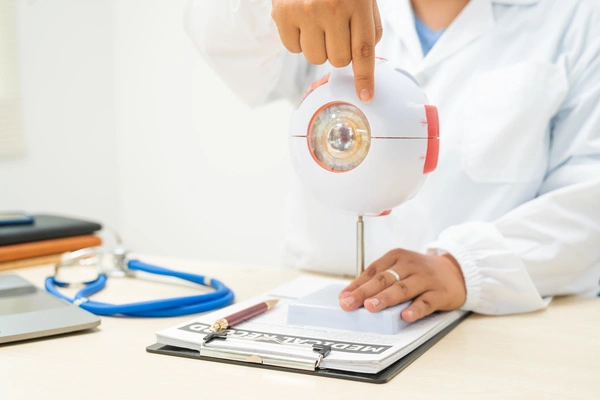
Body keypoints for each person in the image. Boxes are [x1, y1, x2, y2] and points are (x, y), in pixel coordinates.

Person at [184, 0, 600, 322]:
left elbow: (588, 196)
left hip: (490, 318)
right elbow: (219, 34)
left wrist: (462, 267)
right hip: (320, 298)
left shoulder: (577, 19)